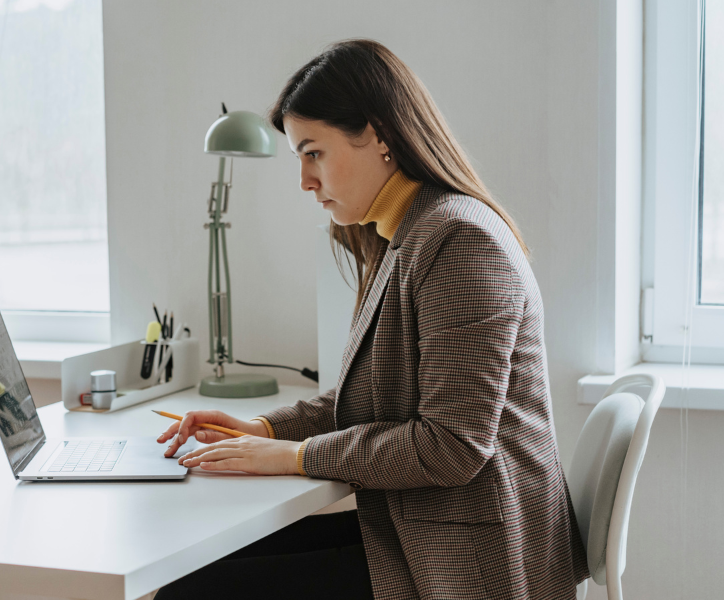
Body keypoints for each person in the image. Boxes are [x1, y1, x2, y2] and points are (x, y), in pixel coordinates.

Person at [155, 39, 589, 600]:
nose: (305, 182)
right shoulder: (399, 233)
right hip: (424, 528)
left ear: (379, 136)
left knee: (194, 592)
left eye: (314, 153)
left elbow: (451, 445)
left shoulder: (458, 238)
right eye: (299, 158)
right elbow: (376, 398)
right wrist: (266, 430)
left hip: (475, 561)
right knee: (193, 573)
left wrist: (296, 457)